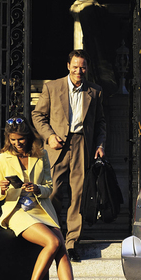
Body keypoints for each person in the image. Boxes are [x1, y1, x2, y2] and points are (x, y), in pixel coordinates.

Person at [0, 118, 90, 280]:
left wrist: (37, 189)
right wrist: (1, 188)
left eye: (20, 139)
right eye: (13, 140)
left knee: (61, 249)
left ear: (28, 137)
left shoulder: (41, 155)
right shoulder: (2, 159)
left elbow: (49, 187)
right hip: (17, 211)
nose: (17, 143)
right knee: (53, 242)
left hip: (40, 209)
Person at [31, 49, 106, 262]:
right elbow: (38, 115)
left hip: (83, 144)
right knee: (52, 191)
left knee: (79, 195)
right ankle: (53, 237)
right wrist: (49, 136)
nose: (78, 71)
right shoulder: (52, 87)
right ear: (68, 66)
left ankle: (72, 243)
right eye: (75, 67)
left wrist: (100, 145)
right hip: (57, 146)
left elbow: (100, 122)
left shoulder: (95, 91)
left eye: (82, 67)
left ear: (87, 68)